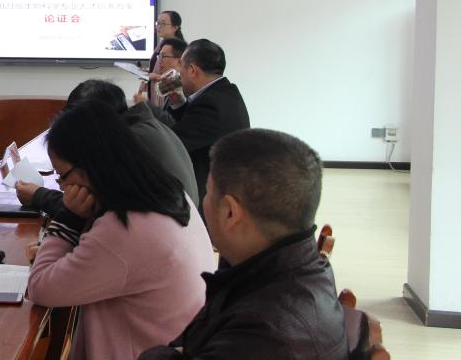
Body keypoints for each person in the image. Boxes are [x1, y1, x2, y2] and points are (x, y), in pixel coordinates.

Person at [26, 100, 214, 360]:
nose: (61, 186)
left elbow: (40, 287)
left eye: (62, 176)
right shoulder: (163, 192)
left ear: (91, 165)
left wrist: (68, 216)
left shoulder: (126, 229)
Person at [139, 129, 348, 359]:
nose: (204, 201)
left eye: (207, 192)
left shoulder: (263, 335)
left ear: (230, 213)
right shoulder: (301, 265)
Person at [17, 79, 199, 211]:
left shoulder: (130, 142)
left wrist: (39, 196)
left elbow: (94, 207)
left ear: (97, 119)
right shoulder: (142, 125)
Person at [161, 38, 249, 201]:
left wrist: (144, 110)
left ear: (192, 70)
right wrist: (178, 103)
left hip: (208, 195)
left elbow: (172, 144)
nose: (178, 74)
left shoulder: (211, 104)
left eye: (181, 67)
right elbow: (192, 125)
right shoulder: (225, 92)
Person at [141, 11, 185, 102]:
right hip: (155, 92)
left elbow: (179, 76)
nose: (158, 27)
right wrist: (148, 71)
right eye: (158, 23)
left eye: (163, 24)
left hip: (168, 95)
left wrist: (155, 76)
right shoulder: (161, 44)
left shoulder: (179, 48)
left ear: (175, 27)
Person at [138, 37, 187, 107]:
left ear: (179, 61)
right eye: (159, 56)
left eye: (163, 56)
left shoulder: (186, 88)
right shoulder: (170, 84)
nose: (159, 60)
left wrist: (145, 106)